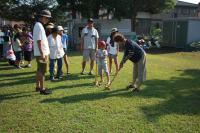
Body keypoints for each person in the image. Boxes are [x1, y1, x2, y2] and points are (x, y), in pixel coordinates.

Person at [33, 9, 52, 95]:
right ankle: (42, 88)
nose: (48, 20)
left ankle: (38, 87)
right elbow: (39, 41)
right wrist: (42, 53)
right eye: (47, 18)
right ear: (43, 17)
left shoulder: (38, 25)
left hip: (41, 52)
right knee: (42, 71)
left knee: (39, 70)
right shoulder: (39, 26)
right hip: (42, 53)